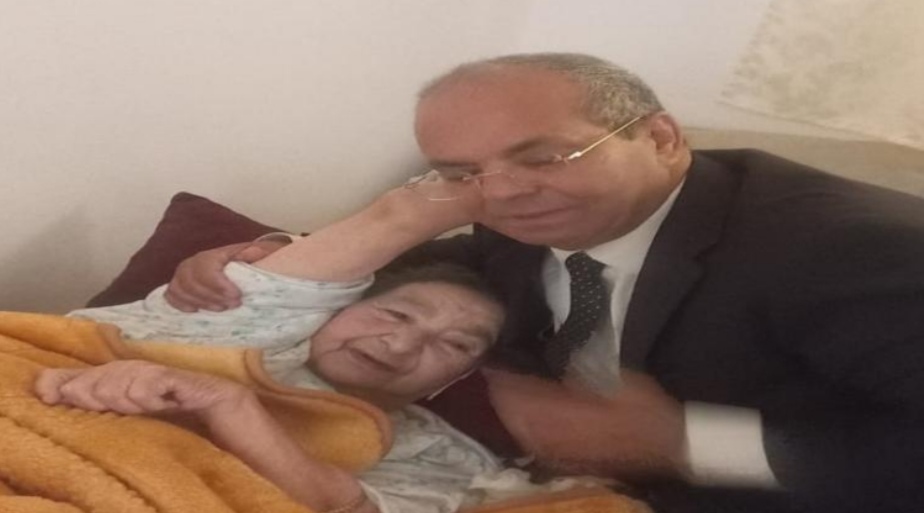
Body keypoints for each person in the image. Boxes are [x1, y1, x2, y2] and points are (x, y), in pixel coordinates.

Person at [162, 53, 924, 513]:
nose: (501, 192)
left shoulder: (853, 249)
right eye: (464, 171)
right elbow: (464, 259)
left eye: (543, 157)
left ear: (661, 137)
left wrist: (684, 441)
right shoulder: (517, 212)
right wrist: (279, 253)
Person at [42, 185, 514, 513]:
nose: (402, 343)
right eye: (395, 314)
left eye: (453, 344)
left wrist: (228, 404)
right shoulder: (241, 319)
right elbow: (385, 227)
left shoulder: (435, 454)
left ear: (456, 378)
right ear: (333, 308)